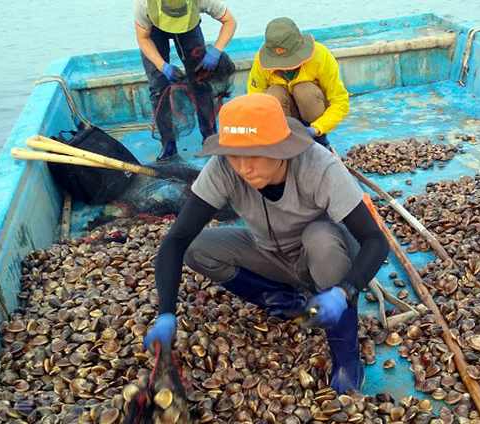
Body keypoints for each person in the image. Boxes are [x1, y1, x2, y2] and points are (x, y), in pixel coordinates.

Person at [143, 93, 389, 394]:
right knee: (197, 247)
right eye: (235, 155)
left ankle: (346, 358)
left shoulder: (319, 166)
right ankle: (288, 303)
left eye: (254, 154)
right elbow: (177, 239)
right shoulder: (224, 167)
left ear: (282, 148)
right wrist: (166, 312)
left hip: (325, 260)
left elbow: (375, 240)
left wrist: (346, 291)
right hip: (270, 254)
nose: (243, 167)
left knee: (320, 239)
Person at [134, 0, 237, 161]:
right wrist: (163, 67)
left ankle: (210, 140)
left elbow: (230, 21)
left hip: (189, 25)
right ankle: (168, 145)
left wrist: (216, 51)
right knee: (158, 87)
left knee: (201, 80)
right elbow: (143, 38)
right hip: (153, 30)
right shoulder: (145, 4)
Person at [247, 17, 349, 148]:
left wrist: (317, 128)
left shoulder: (321, 55)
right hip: (285, 120)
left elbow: (340, 101)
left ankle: (320, 142)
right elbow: (255, 103)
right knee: (273, 94)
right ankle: (285, 142)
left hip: (314, 113)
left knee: (305, 91)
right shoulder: (260, 62)